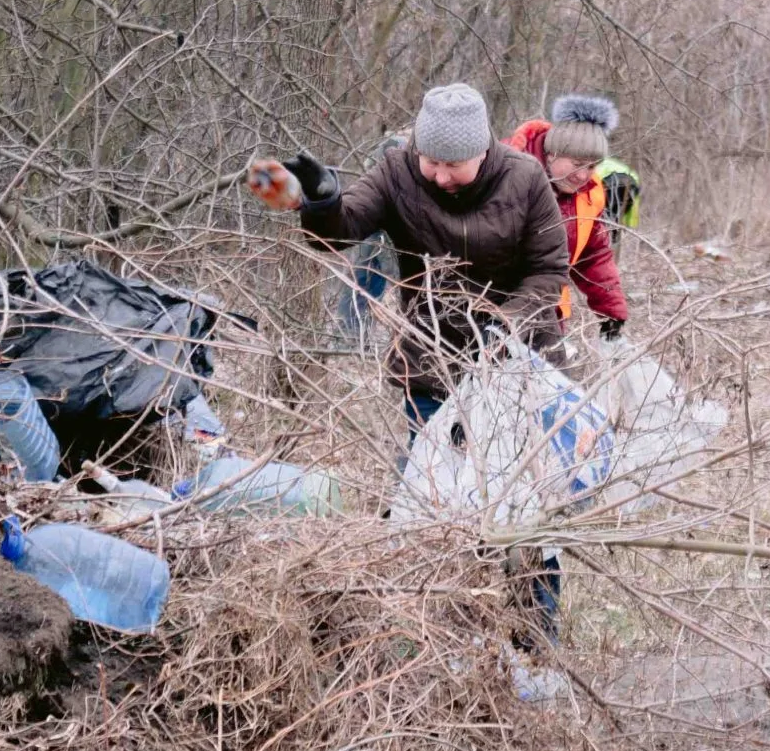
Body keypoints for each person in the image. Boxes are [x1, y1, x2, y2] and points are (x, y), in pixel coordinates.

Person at [246, 83, 571, 648]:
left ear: (484, 151)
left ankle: (534, 647)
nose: (440, 175)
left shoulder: (525, 179)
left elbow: (549, 271)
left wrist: (505, 322)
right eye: (432, 161)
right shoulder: (398, 173)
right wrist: (318, 202)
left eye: (454, 165)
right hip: (433, 367)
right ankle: (429, 642)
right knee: (431, 506)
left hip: (517, 371)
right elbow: (342, 231)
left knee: (524, 515)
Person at [507, 95, 630, 341]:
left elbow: (594, 257)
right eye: (577, 163)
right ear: (552, 153)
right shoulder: (507, 174)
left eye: (592, 166)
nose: (583, 175)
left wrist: (611, 312)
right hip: (496, 310)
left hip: (549, 314)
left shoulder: (591, 195)